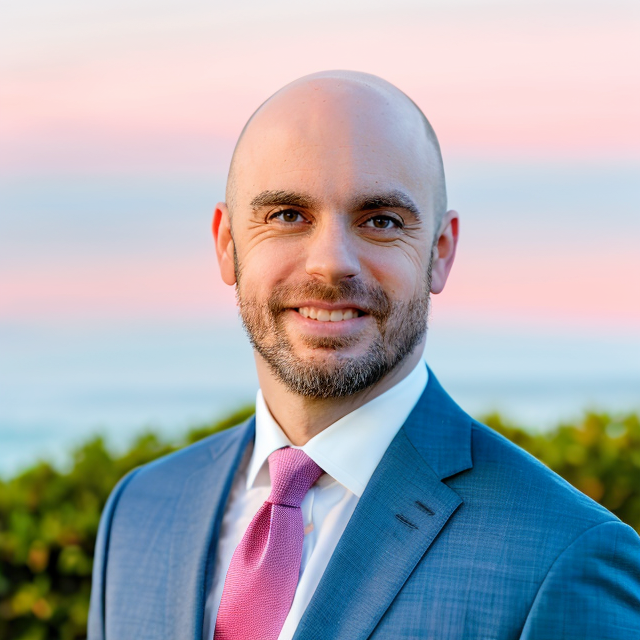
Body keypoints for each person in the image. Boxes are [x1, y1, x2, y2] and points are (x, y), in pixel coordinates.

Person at [88, 71, 640, 640]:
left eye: (381, 221)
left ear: (441, 252)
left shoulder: (566, 557)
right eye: (287, 215)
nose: (331, 263)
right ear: (228, 244)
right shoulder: (139, 511)